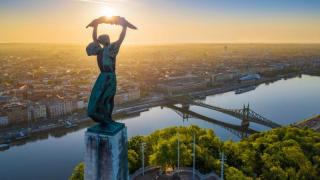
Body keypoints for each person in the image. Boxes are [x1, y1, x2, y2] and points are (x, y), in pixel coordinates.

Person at [86, 17, 128, 125]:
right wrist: (95, 26)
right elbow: (95, 38)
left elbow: (120, 38)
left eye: (103, 39)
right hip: (106, 77)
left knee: (105, 98)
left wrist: (95, 26)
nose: (102, 40)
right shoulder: (103, 50)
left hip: (106, 77)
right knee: (105, 98)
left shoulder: (107, 49)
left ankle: (106, 117)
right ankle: (105, 116)